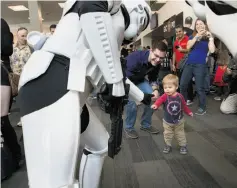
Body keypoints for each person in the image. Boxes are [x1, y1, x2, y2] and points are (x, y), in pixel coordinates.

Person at [17, 1, 153, 188]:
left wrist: (141, 96)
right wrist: (114, 81)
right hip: (51, 82)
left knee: (100, 145)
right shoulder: (108, 9)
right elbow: (91, 6)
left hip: (70, 93)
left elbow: (115, 77)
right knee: (54, 184)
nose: (138, 33)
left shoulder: (105, 32)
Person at [124, 41, 167, 139]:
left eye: (161, 58)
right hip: (126, 82)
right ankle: (129, 128)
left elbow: (153, 78)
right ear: (150, 50)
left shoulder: (157, 62)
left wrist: (155, 90)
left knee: (153, 98)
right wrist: (138, 95)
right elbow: (124, 78)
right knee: (132, 104)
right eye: (156, 56)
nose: (157, 60)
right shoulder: (134, 58)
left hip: (139, 80)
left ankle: (145, 125)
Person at [180, 19, 215, 115]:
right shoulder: (192, 36)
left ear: (205, 25)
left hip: (200, 65)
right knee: (182, 85)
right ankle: (182, 105)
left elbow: (212, 50)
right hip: (189, 64)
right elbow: (188, 47)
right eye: (197, 24)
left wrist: (211, 38)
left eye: (201, 24)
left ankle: (202, 107)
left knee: (199, 88)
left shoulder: (208, 37)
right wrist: (196, 37)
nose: (199, 26)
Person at [151, 74, 193, 154]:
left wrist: (189, 112)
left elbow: (184, 106)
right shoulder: (165, 96)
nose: (167, 90)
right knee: (167, 134)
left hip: (179, 120)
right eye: (165, 88)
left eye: (170, 87)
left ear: (176, 87)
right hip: (167, 120)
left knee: (180, 133)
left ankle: (183, 145)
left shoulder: (180, 96)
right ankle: (168, 145)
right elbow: (159, 100)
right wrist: (156, 105)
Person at [1, 18, 22, 176]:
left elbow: (7, 49)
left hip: (2, 75)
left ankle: (14, 155)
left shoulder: (1, 23)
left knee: (2, 119)